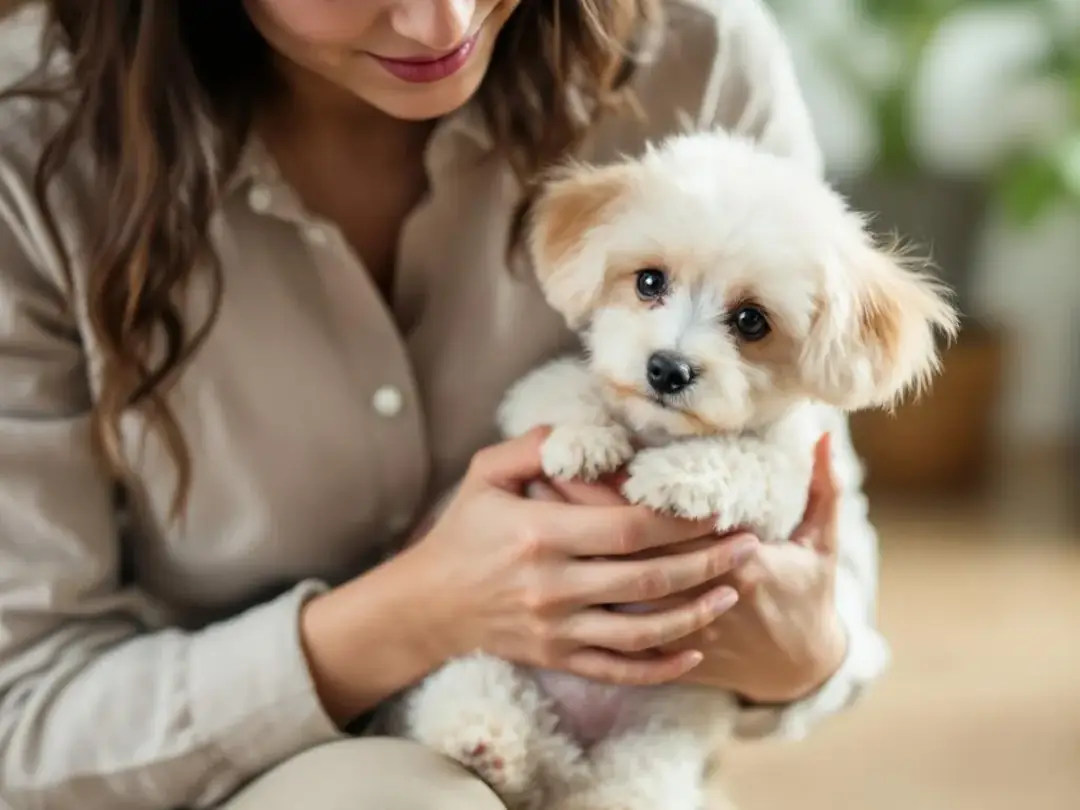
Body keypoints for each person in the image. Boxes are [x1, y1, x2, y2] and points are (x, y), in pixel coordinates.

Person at [0, 1, 889, 808]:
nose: (443, 23)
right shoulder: (26, 146)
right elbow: (20, 722)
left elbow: (830, 573)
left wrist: (804, 650)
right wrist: (414, 614)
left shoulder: (699, 57)